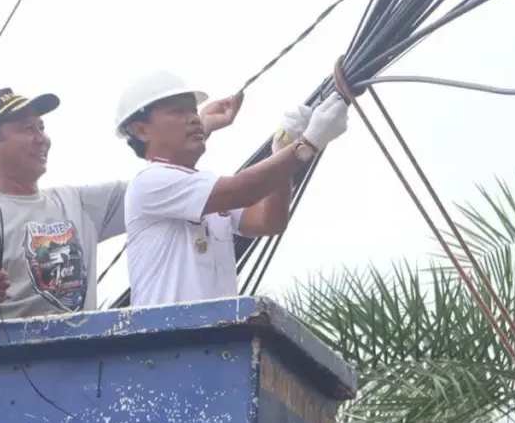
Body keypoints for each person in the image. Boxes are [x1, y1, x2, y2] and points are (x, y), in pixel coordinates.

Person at [0, 86, 240, 326]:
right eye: (27, 129)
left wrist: (197, 128)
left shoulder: (76, 203)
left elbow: (166, 186)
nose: (42, 138)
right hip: (9, 377)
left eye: (41, 127)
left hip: (80, 374)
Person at [116, 70, 349, 307]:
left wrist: (282, 151)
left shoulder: (199, 189)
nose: (194, 118)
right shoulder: (150, 182)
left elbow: (269, 220)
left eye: (193, 111)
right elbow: (243, 189)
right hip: (167, 340)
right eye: (178, 111)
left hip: (213, 337)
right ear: (142, 130)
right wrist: (306, 144)